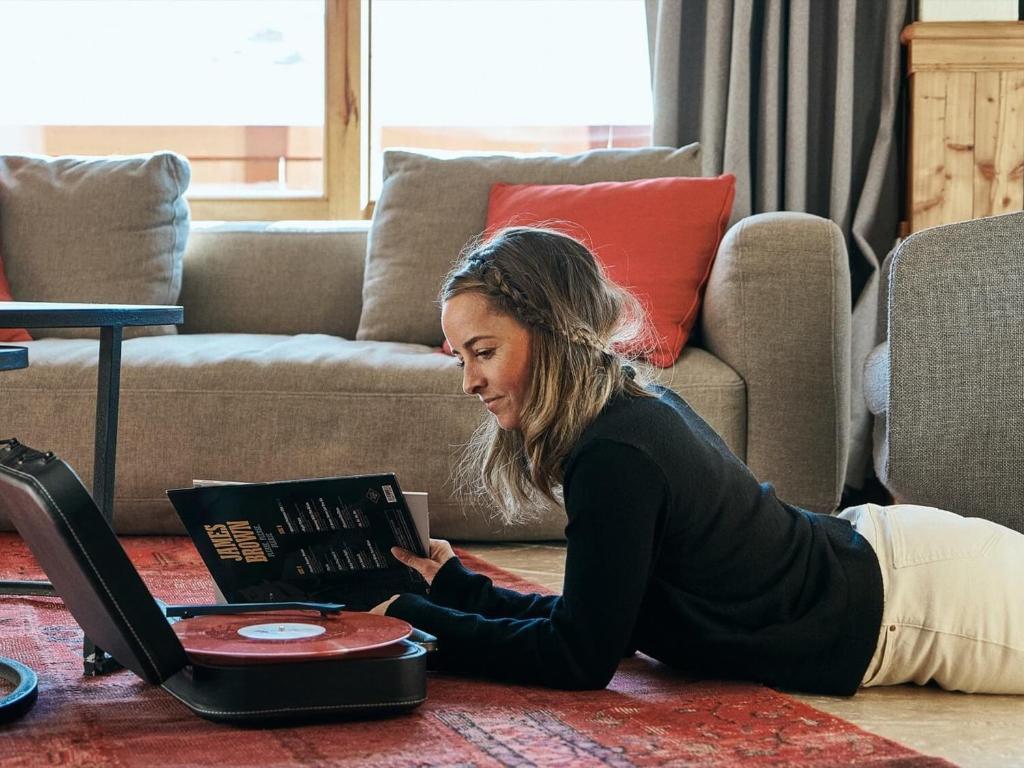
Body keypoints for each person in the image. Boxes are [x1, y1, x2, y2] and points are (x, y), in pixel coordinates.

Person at [371, 226, 1024, 696]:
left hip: (922, 602)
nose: (470, 381)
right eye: (462, 358)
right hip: (888, 565)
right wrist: (455, 589)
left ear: (550, 333)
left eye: (484, 352)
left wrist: (414, 622)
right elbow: (599, 622)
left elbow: (579, 658)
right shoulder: (619, 418)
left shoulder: (616, 454)